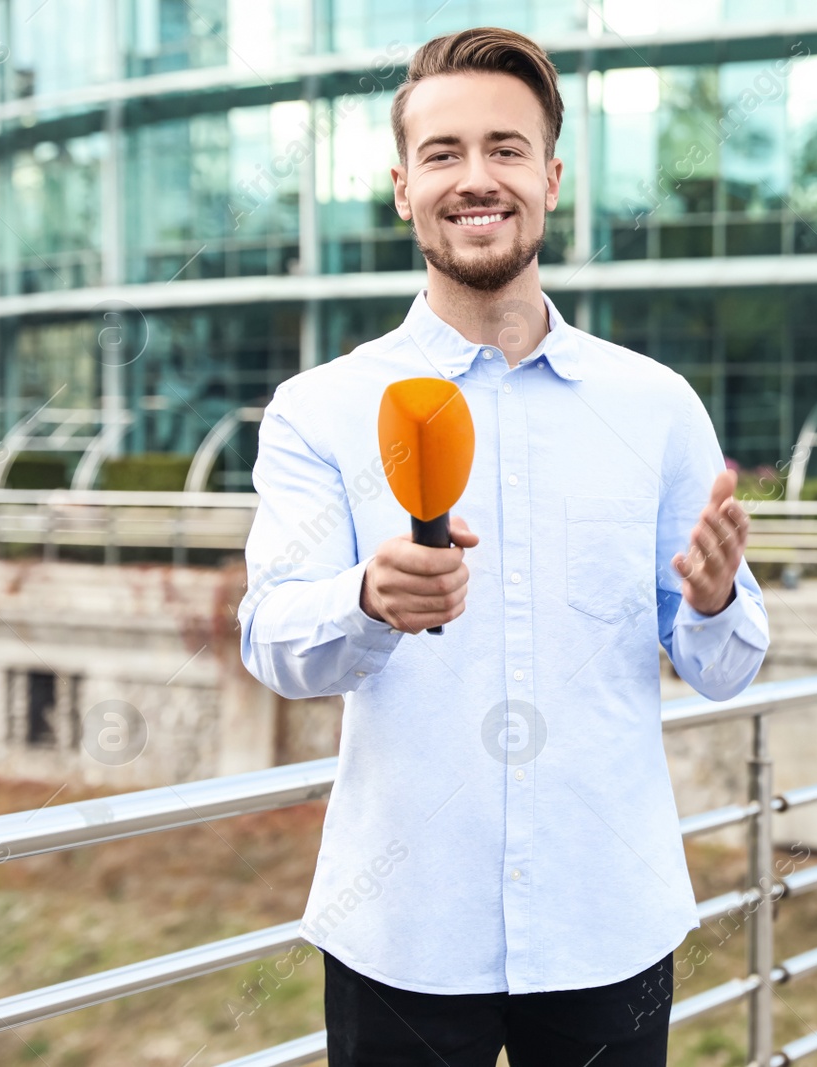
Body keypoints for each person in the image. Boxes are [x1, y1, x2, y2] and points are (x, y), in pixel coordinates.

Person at [237, 28, 771, 1067]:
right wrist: (366, 596)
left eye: (505, 148)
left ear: (550, 177)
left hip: (608, 926)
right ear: (401, 187)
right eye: (442, 153)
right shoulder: (321, 409)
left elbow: (727, 663)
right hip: (402, 932)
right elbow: (270, 638)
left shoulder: (655, 406)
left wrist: (712, 602)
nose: (474, 178)